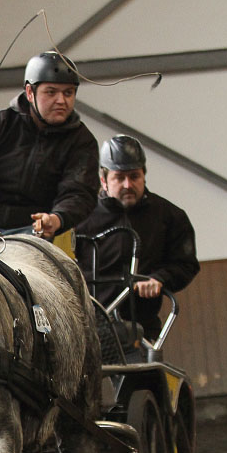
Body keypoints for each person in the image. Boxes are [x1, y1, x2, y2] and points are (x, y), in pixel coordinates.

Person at [0, 51, 99, 245]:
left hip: (32, 231)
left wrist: (57, 219)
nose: (61, 100)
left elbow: (79, 193)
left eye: (68, 93)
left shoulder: (82, 141)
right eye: (51, 92)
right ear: (30, 92)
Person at [75, 135, 200, 340]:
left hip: (141, 328)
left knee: (151, 371)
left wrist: (160, 279)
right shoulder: (80, 218)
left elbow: (186, 265)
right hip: (87, 328)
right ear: (103, 180)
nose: (127, 184)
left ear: (144, 175)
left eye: (134, 176)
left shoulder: (170, 216)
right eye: (119, 177)